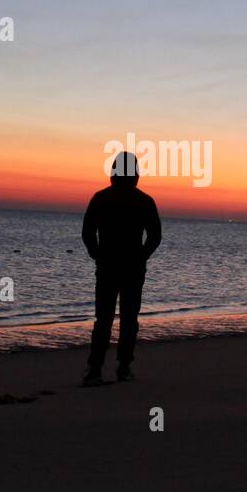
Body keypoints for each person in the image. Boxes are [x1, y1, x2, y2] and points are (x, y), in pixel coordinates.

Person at [80, 151, 162, 385]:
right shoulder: (144, 201)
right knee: (128, 318)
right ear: (135, 174)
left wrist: (96, 253)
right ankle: (123, 367)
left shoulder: (101, 198)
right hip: (130, 267)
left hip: (110, 266)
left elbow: (87, 232)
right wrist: (142, 256)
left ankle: (95, 369)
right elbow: (155, 236)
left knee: (104, 318)